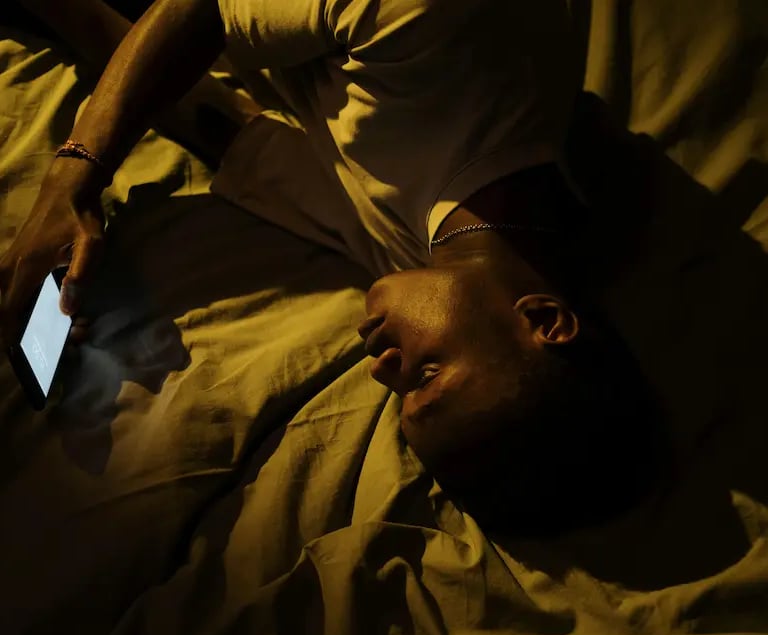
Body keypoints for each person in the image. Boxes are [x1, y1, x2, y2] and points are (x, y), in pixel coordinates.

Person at [0, 0, 665, 535]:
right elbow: (199, 12)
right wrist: (72, 176)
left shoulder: (439, 263)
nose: (382, 367)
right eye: (426, 374)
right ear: (543, 318)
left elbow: (225, 128)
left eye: (399, 394)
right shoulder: (442, 31)